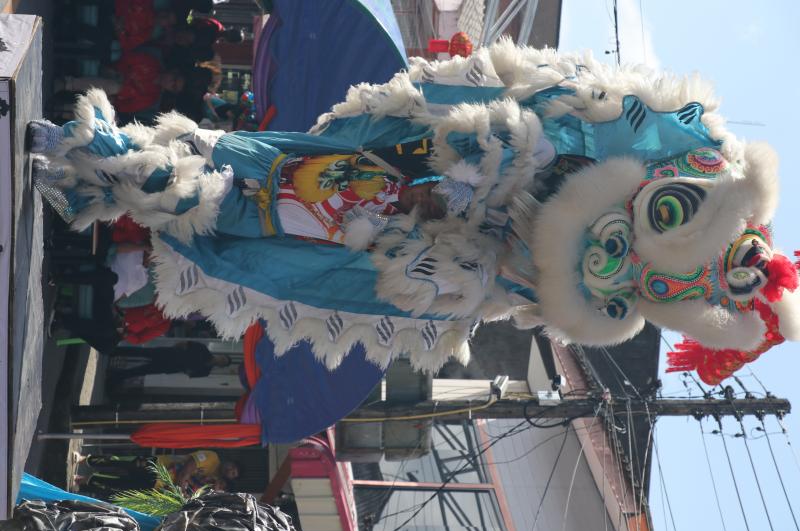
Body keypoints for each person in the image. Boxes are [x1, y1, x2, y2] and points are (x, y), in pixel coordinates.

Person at [27, 42, 800, 386]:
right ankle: (93, 158)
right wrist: (474, 160)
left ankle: (97, 170)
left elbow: (517, 283)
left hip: (398, 237)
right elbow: (553, 110)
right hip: (402, 171)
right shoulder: (678, 154)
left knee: (244, 211)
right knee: (244, 166)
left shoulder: (614, 303)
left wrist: (461, 237)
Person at [73, 450, 240, 496]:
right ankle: (84, 459)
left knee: (119, 484)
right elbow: (187, 469)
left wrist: (180, 488)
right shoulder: (213, 458)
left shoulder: (213, 483)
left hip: (157, 485)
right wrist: (181, 486)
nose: (229, 472)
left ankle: (82, 480)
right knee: (121, 461)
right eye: (232, 468)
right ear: (231, 462)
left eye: (233, 474)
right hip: (159, 465)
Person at [108, 342, 231, 384]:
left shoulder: (206, 371)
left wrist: (186, 368)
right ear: (220, 355)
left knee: (142, 370)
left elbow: (190, 374)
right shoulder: (203, 349)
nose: (220, 361)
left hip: (171, 366)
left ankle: (115, 376)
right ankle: (116, 351)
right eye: (222, 358)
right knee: (143, 352)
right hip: (170, 354)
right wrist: (174, 349)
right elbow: (186, 343)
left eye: (223, 362)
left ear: (221, 366)